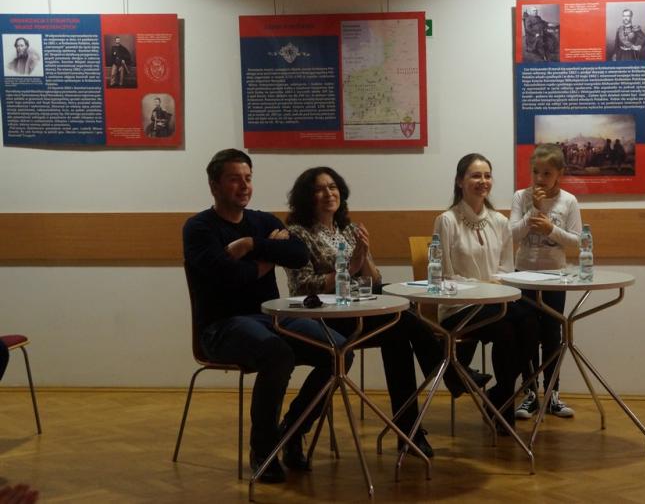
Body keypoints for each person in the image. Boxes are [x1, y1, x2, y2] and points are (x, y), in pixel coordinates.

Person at [284, 167, 485, 458]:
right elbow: (302, 286)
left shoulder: (349, 230)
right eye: (319, 189)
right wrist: (348, 269)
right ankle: (449, 371)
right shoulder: (298, 234)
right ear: (307, 196)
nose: (328, 193)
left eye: (333, 187)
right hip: (324, 318)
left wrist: (363, 256)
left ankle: (409, 431)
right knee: (401, 321)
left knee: (398, 332)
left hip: (359, 311)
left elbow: (374, 280)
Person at [183, 149, 352, 484]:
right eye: (234, 179)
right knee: (278, 353)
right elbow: (230, 276)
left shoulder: (263, 222)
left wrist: (250, 245)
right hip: (220, 327)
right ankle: (264, 449)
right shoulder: (199, 228)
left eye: (248, 178)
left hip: (271, 318)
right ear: (214, 185)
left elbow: (298, 253)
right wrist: (270, 254)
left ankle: (293, 431)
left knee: (339, 351)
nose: (244, 186)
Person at [434, 153, 528, 433]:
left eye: (487, 175)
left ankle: (499, 395)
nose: (483, 181)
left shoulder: (499, 221)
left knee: (533, 323)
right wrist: (486, 286)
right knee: (507, 329)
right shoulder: (447, 220)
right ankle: (502, 405)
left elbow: (506, 271)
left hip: (494, 304)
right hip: (458, 308)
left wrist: (492, 287)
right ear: (460, 181)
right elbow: (444, 275)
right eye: (475, 175)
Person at [509, 144, 582, 420]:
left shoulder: (569, 201)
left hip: (555, 277)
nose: (540, 178)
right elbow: (511, 235)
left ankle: (552, 393)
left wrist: (552, 229)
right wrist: (533, 211)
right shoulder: (521, 197)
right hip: (523, 274)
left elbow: (577, 241)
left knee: (552, 334)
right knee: (526, 334)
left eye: (547, 173)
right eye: (535, 172)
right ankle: (530, 393)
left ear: (559, 173)